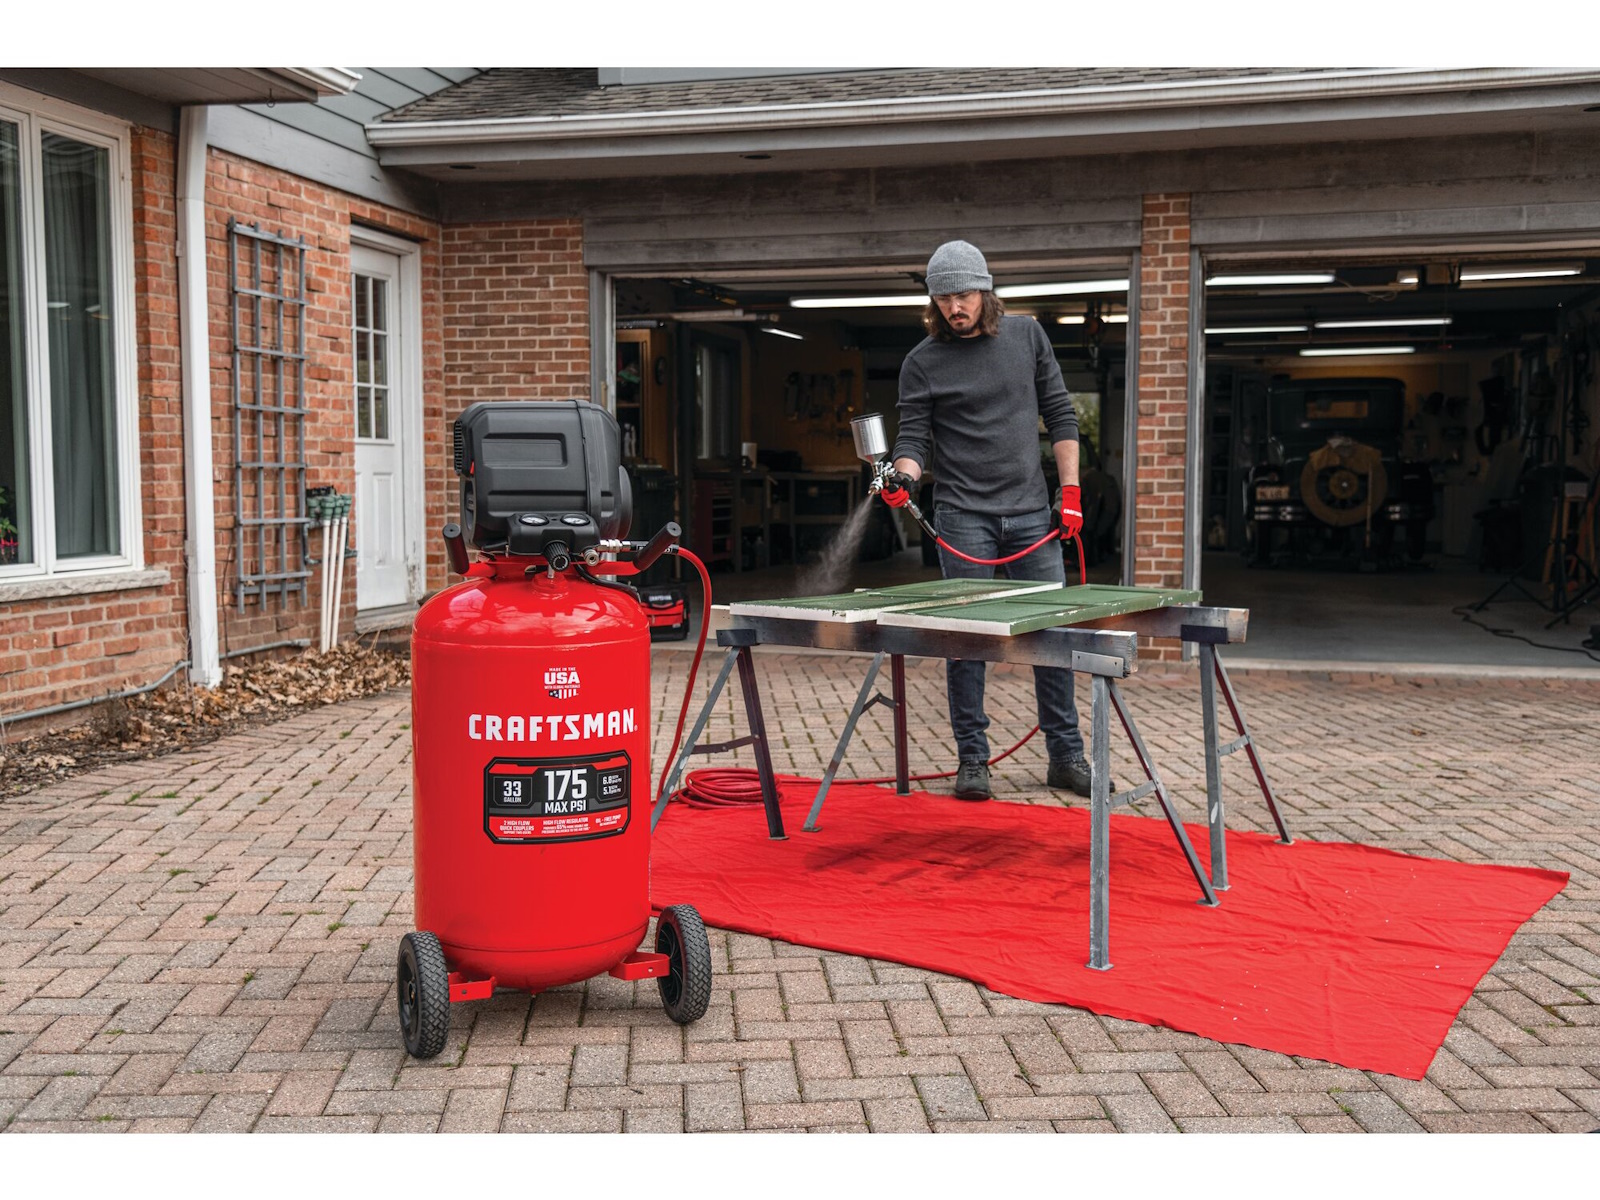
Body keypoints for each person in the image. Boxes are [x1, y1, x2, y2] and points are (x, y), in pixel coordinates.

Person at [879, 239, 1101, 801]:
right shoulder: (922, 362)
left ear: (985, 290)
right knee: (967, 640)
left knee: (1050, 634)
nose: (955, 307)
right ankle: (973, 760)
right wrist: (903, 478)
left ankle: (1065, 756)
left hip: (1032, 516)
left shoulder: (1027, 337)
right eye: (944, 298)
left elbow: (1061, 415)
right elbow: (913, 440)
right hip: (962, 518)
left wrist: (1070, 491)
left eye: (964, 295)